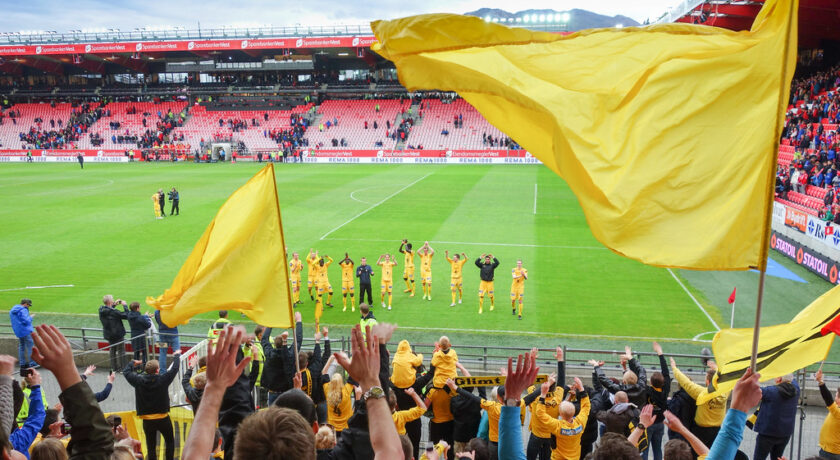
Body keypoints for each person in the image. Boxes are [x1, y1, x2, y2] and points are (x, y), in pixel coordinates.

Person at [123, 354, 182, 460]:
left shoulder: (138, 381)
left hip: (147, 421)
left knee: (151, 446)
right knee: (170, 442)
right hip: (163, 419)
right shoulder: (163, 380)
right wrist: (177, 355)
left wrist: (132, 363)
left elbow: (126, 372)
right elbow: (175, 368)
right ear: (157, 370)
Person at [670, 357, 727, 448]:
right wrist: (716, 368)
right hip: (717, 430)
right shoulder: (725, 392)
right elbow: (725, 379)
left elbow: (687, 383)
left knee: (697, 452)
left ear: (707, 381)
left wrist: (674, 368)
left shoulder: (703, 393)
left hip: (701, 431)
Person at [533, 376, 590, 460]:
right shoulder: (580, 423)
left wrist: (543, 394)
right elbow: (586, 407)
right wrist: (581, 388)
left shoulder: (557, 426)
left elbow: (540, 414)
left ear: (561, 414)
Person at [752, 373, 800, 460]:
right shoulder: (796, 389)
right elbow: (792, 380)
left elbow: (754, 390)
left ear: (779, 379)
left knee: (759, 458)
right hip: (785, 433)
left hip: (767, 433)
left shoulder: (771, 391)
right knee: (777, 458)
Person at [98, 295, 129, 373]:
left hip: (109, 334)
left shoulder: (101, 310)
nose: (113, 300)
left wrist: (114, 305)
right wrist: (125, 306)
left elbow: (109, 311)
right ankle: (123, 368)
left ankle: (114, 368)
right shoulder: (114, 312)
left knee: (112, 351)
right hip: (118, 334)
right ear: (110, 302)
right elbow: (126, 315)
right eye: (112, 300)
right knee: (121, 351)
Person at [814, 369, 840, 459]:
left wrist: (820, 382)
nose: (835, 398)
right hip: (829, 450)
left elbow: (828, 398)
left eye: (836, 395)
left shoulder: (838, 413)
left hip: (831, 452)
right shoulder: (837, 410)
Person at [10, 298, 35, 374]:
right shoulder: (23, 310)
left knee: (22, 347)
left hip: (19, 331)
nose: (28, 306)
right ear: (25, 304)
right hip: (26, 331)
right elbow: (26, 321)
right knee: (30, 346)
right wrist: (31, 317)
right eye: (28, 305)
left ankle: (22, 364)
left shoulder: (14, 309)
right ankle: (32, 363)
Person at [313, 255, 335, 329]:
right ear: (319, 262)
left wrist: (328, 257)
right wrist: (319, 258)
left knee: (331, 292)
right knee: (320, 295)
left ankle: (328, 302)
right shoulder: (317, 266)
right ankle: (321, 306)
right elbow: (313, 263)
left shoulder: (326, 265)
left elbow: (331, 260)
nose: (322, 263)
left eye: (323, 262)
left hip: (326, 282)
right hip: (320, 283)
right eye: (321, 262)